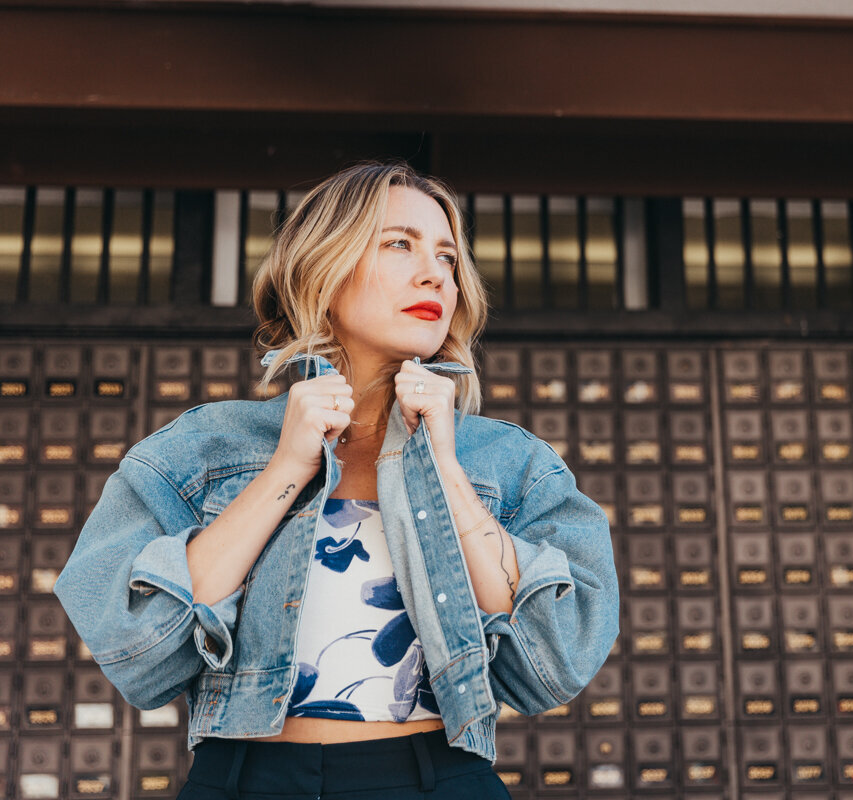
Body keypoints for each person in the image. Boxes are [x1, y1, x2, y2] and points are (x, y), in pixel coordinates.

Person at [54, 162, 620, 799]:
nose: (436, 273)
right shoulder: (206, 447)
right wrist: (287, 468)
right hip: (244, 779)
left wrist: (449, 475)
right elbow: (137, 650)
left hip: (436, 779)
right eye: (398, 244)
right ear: (324, 265)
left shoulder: (507, 461)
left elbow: (556, 662)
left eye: (448, 257)